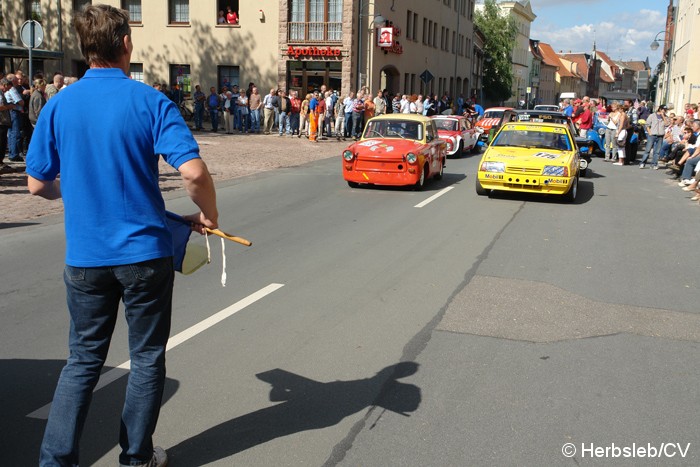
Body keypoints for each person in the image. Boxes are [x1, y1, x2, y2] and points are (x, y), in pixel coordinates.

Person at [26, 5, 218, 466]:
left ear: (84, 48)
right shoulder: (150, 101)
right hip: (145, 257)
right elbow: (193, 173)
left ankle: (55, 461)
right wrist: (207, 215)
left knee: (83, 361)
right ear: (126, 44)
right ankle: (135, 458)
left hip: (86, 259)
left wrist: (72, 190)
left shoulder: (59, 104)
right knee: (147, 358)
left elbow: (36, 184)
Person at [639, 105, 669, 169]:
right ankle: (643, 163)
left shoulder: (665, 117)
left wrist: (663, 116)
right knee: (647, 150)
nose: (664, 111)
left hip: (660, 135)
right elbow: (647, 124)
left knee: (657, 151)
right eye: (663, 109)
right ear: (660, 109)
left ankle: (654, 164)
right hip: (652, 135)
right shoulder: (652, 115)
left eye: (665, 110)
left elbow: (667, 124)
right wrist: (649, 132)